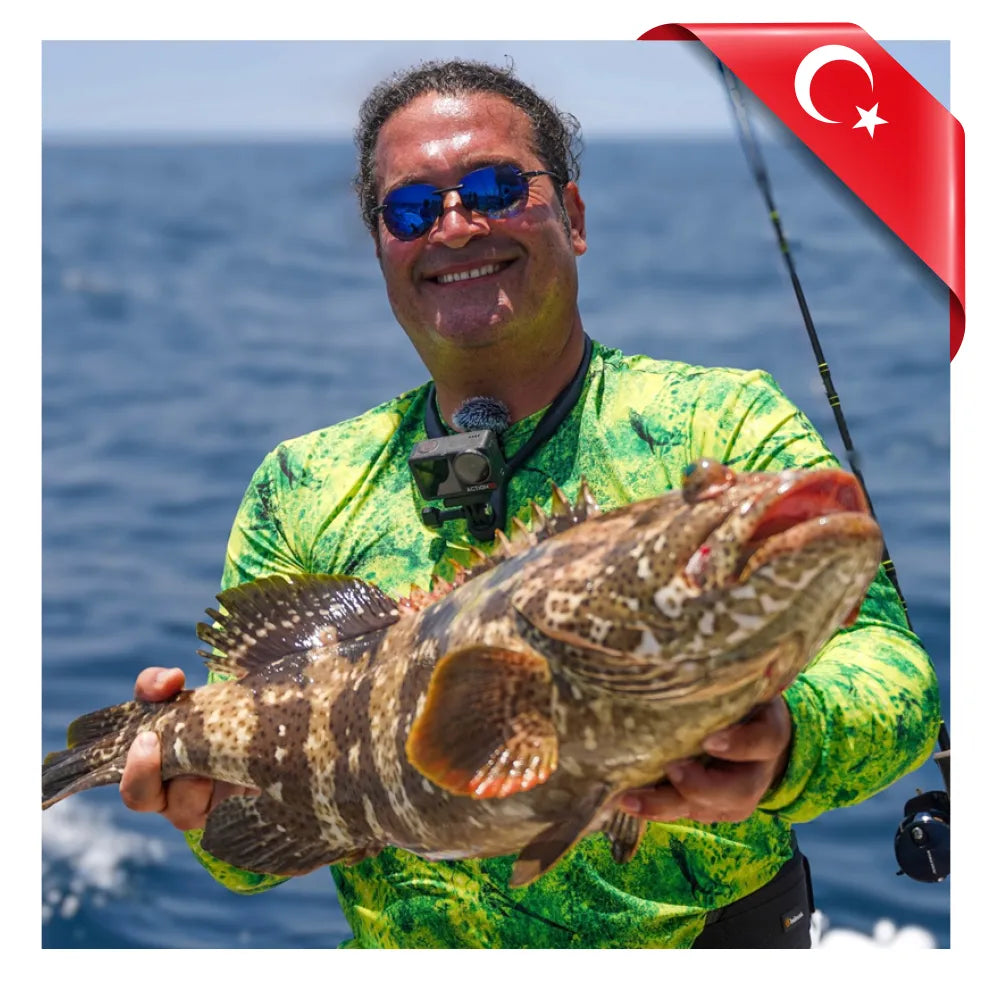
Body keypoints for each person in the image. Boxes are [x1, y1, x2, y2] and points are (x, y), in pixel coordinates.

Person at [117, 59, 941, 948]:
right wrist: (200, 804)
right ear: (383, 248)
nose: (456, 226)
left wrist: (787, 743)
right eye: (411, 209)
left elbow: (892, 670)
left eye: (496, 189)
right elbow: (241, 857)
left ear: (573, 217)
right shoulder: (301, 485)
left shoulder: (722, 418)